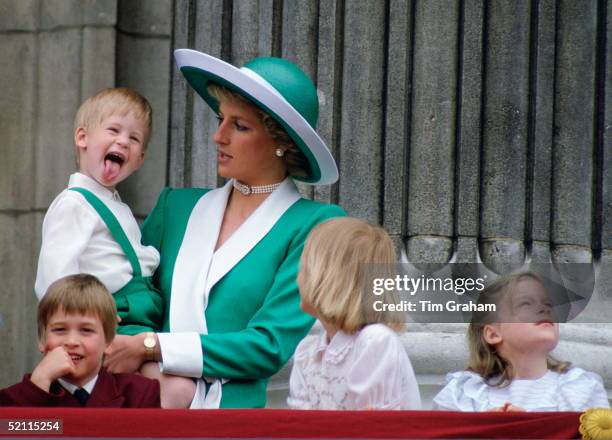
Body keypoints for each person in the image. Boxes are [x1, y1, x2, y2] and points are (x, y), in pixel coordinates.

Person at [103, 50, 345, 408]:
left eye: (240, 126)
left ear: (282, 142)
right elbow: (132, 303)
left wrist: (153, 348)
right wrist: (146, 365)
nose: (218, 136)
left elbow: (268, 345)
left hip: (235, 419)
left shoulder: (315, 225)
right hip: (144, 404)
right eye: (221, 119)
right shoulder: (175, 207)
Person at [33, 87, 195, 408]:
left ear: (140, 159)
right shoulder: (74, 203)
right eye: (113, 130)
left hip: (140, 322)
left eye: (134, 139)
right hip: (115, 321)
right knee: (177, 392)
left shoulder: (115, 204)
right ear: (83, 138)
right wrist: (81, 327)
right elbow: (53, 279)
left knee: (174, 389)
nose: (123, 141)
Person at [287, 217, 421, 410]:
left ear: (328, 278)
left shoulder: (375, 341)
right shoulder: (307, 352)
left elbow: (369, 430)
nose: (297, 277)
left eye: (304, 268)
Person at [433, 271, 610, 411]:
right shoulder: (463, 394)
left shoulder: (580, 388)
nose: (543, 309)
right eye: (526, 303)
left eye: (548, 304)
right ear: (493, 334)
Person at [0, 274, 160, 407]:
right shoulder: (10, 400)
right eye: (60, 329)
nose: (71, 341)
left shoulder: (140, 394)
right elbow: (16, 430)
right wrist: (39, 384)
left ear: (109, 342)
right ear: (42, 340)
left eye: (86, 330)